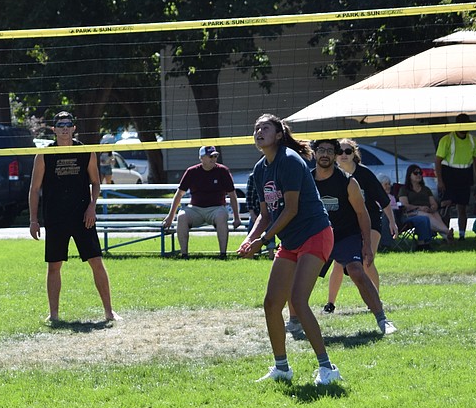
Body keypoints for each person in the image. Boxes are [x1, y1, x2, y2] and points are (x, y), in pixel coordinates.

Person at [237, 114, 341, 386]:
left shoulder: (290, 161)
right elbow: (265, 214)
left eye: (265, 128)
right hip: (291, 241)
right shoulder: (260, 169)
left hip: (315, 233)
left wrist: (265, 241)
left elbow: (292, 209)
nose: (259, 132)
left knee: (298, 300)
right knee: (271, 303)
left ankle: (328, 368)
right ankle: (282, 367)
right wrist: (250, 239)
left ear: (279, 134)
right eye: (256, 128)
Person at [28, 111, 118, 324]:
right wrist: (33, 219)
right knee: (54, 265)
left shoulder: (85, 151)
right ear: (54, 129)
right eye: (60, 125)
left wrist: (92, 206)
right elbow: (34, 189)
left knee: (96, 260)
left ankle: (109, 312)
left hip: (82, 215)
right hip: (55, 216)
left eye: (68, 124)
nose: (65, 128)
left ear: (74, 128)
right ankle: (54, 314)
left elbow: (96, 183)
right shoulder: (44, 154)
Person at [310, 140, 396, 335]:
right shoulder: (307, 181)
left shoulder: (351, 180)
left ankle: (382, 318)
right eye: (321, 150)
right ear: (314, 154)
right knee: (301, 275)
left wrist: (367, 244)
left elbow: (365, 211)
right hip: (320, 234)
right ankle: (296, 319)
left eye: (330, 151)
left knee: (359, 268)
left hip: (348, 233)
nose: (326, 154)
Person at [162, 145, 240, 258]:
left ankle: (223, 254)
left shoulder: (223, 171)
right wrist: (170, 216)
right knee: (182, 216)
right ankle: (184, 255)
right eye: (210, 156)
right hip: (195, 209)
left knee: (222, 215)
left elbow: (232, 195)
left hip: (216, 208)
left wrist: (236, 217)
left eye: (215, 156)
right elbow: (179, 194)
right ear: (201, 158)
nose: (214, 159)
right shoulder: (191, 171)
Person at [434, 113, 476, 239]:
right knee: (446, 206)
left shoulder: (473, 140)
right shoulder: (447, 139)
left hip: (465, 174)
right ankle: (445, 234)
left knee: (462, 207)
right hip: (449, 173)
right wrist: (440, 180)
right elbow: (438, 160)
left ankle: (462, 235)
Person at [399, 164, 451, 242]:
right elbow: (405, 205)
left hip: (428, 211)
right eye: (415, 173)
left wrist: (432, 207)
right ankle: (447, 232)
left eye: (420, 173)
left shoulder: (426, 189)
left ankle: (448, 237)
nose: (419, 175)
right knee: (426, 216)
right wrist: (419, 208)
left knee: (436, 215)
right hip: (411, 213)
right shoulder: (404, 189)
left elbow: (433, 203)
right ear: (409, 175)